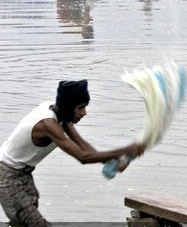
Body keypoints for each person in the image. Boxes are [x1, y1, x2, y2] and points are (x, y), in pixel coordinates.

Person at [0, 80, 145, 227]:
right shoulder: (48, 124)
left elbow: (84, 147)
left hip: (23, 173)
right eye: (80, 108)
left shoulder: (61, 114)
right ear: (68, 107)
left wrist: (113, 161)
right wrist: (126, 150)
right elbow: (83, 157)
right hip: (7, 175)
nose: (84, 113)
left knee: (23, 222)